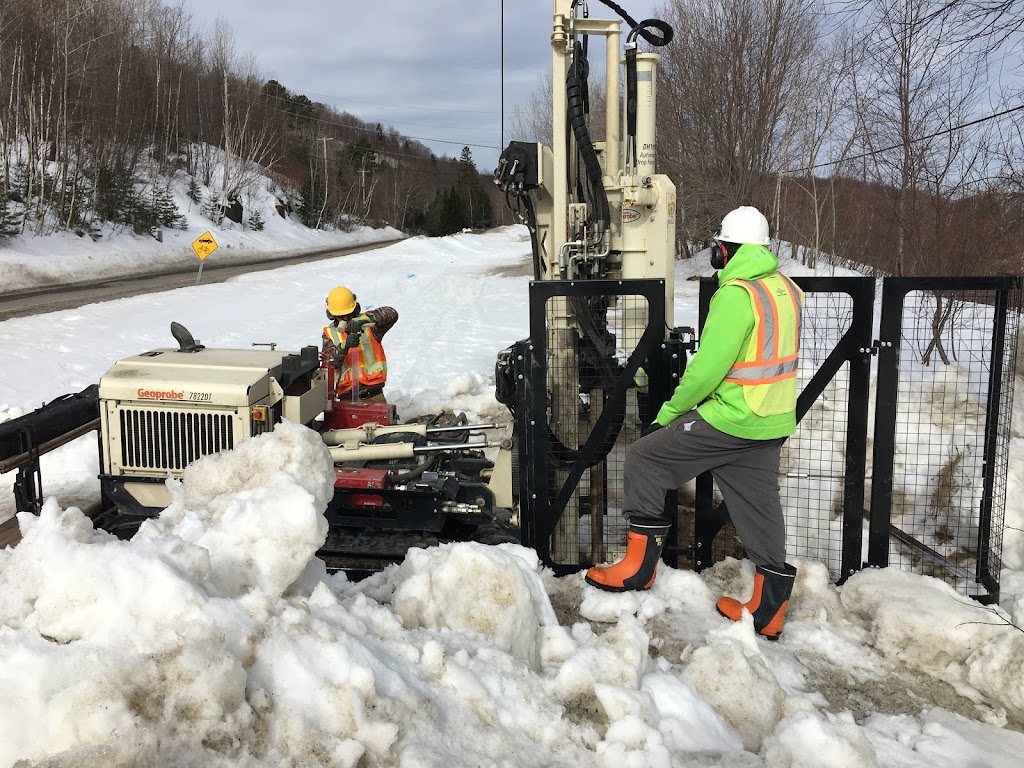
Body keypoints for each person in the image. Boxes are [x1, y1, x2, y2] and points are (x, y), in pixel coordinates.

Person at [585, 206, 804, 640]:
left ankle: (637, 569)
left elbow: (706, 371)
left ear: (728, 249)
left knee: (646, 459)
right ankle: (768, 612)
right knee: (760, 507)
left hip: (733, 417)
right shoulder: (786, 288)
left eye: (716, 247)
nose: (714, 255)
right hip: (771, 419)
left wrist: (667, 414)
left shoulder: (738, 295)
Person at [322, 286, 399, 402]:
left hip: (373, 395)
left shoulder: (369, 326)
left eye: (349, 313)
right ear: (332, 314)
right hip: (347, 399)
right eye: (341, 316)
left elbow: (392, 313)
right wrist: (344, 347)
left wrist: (367, 319)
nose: (346, 318)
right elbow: (330, 364)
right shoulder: (330, 334)